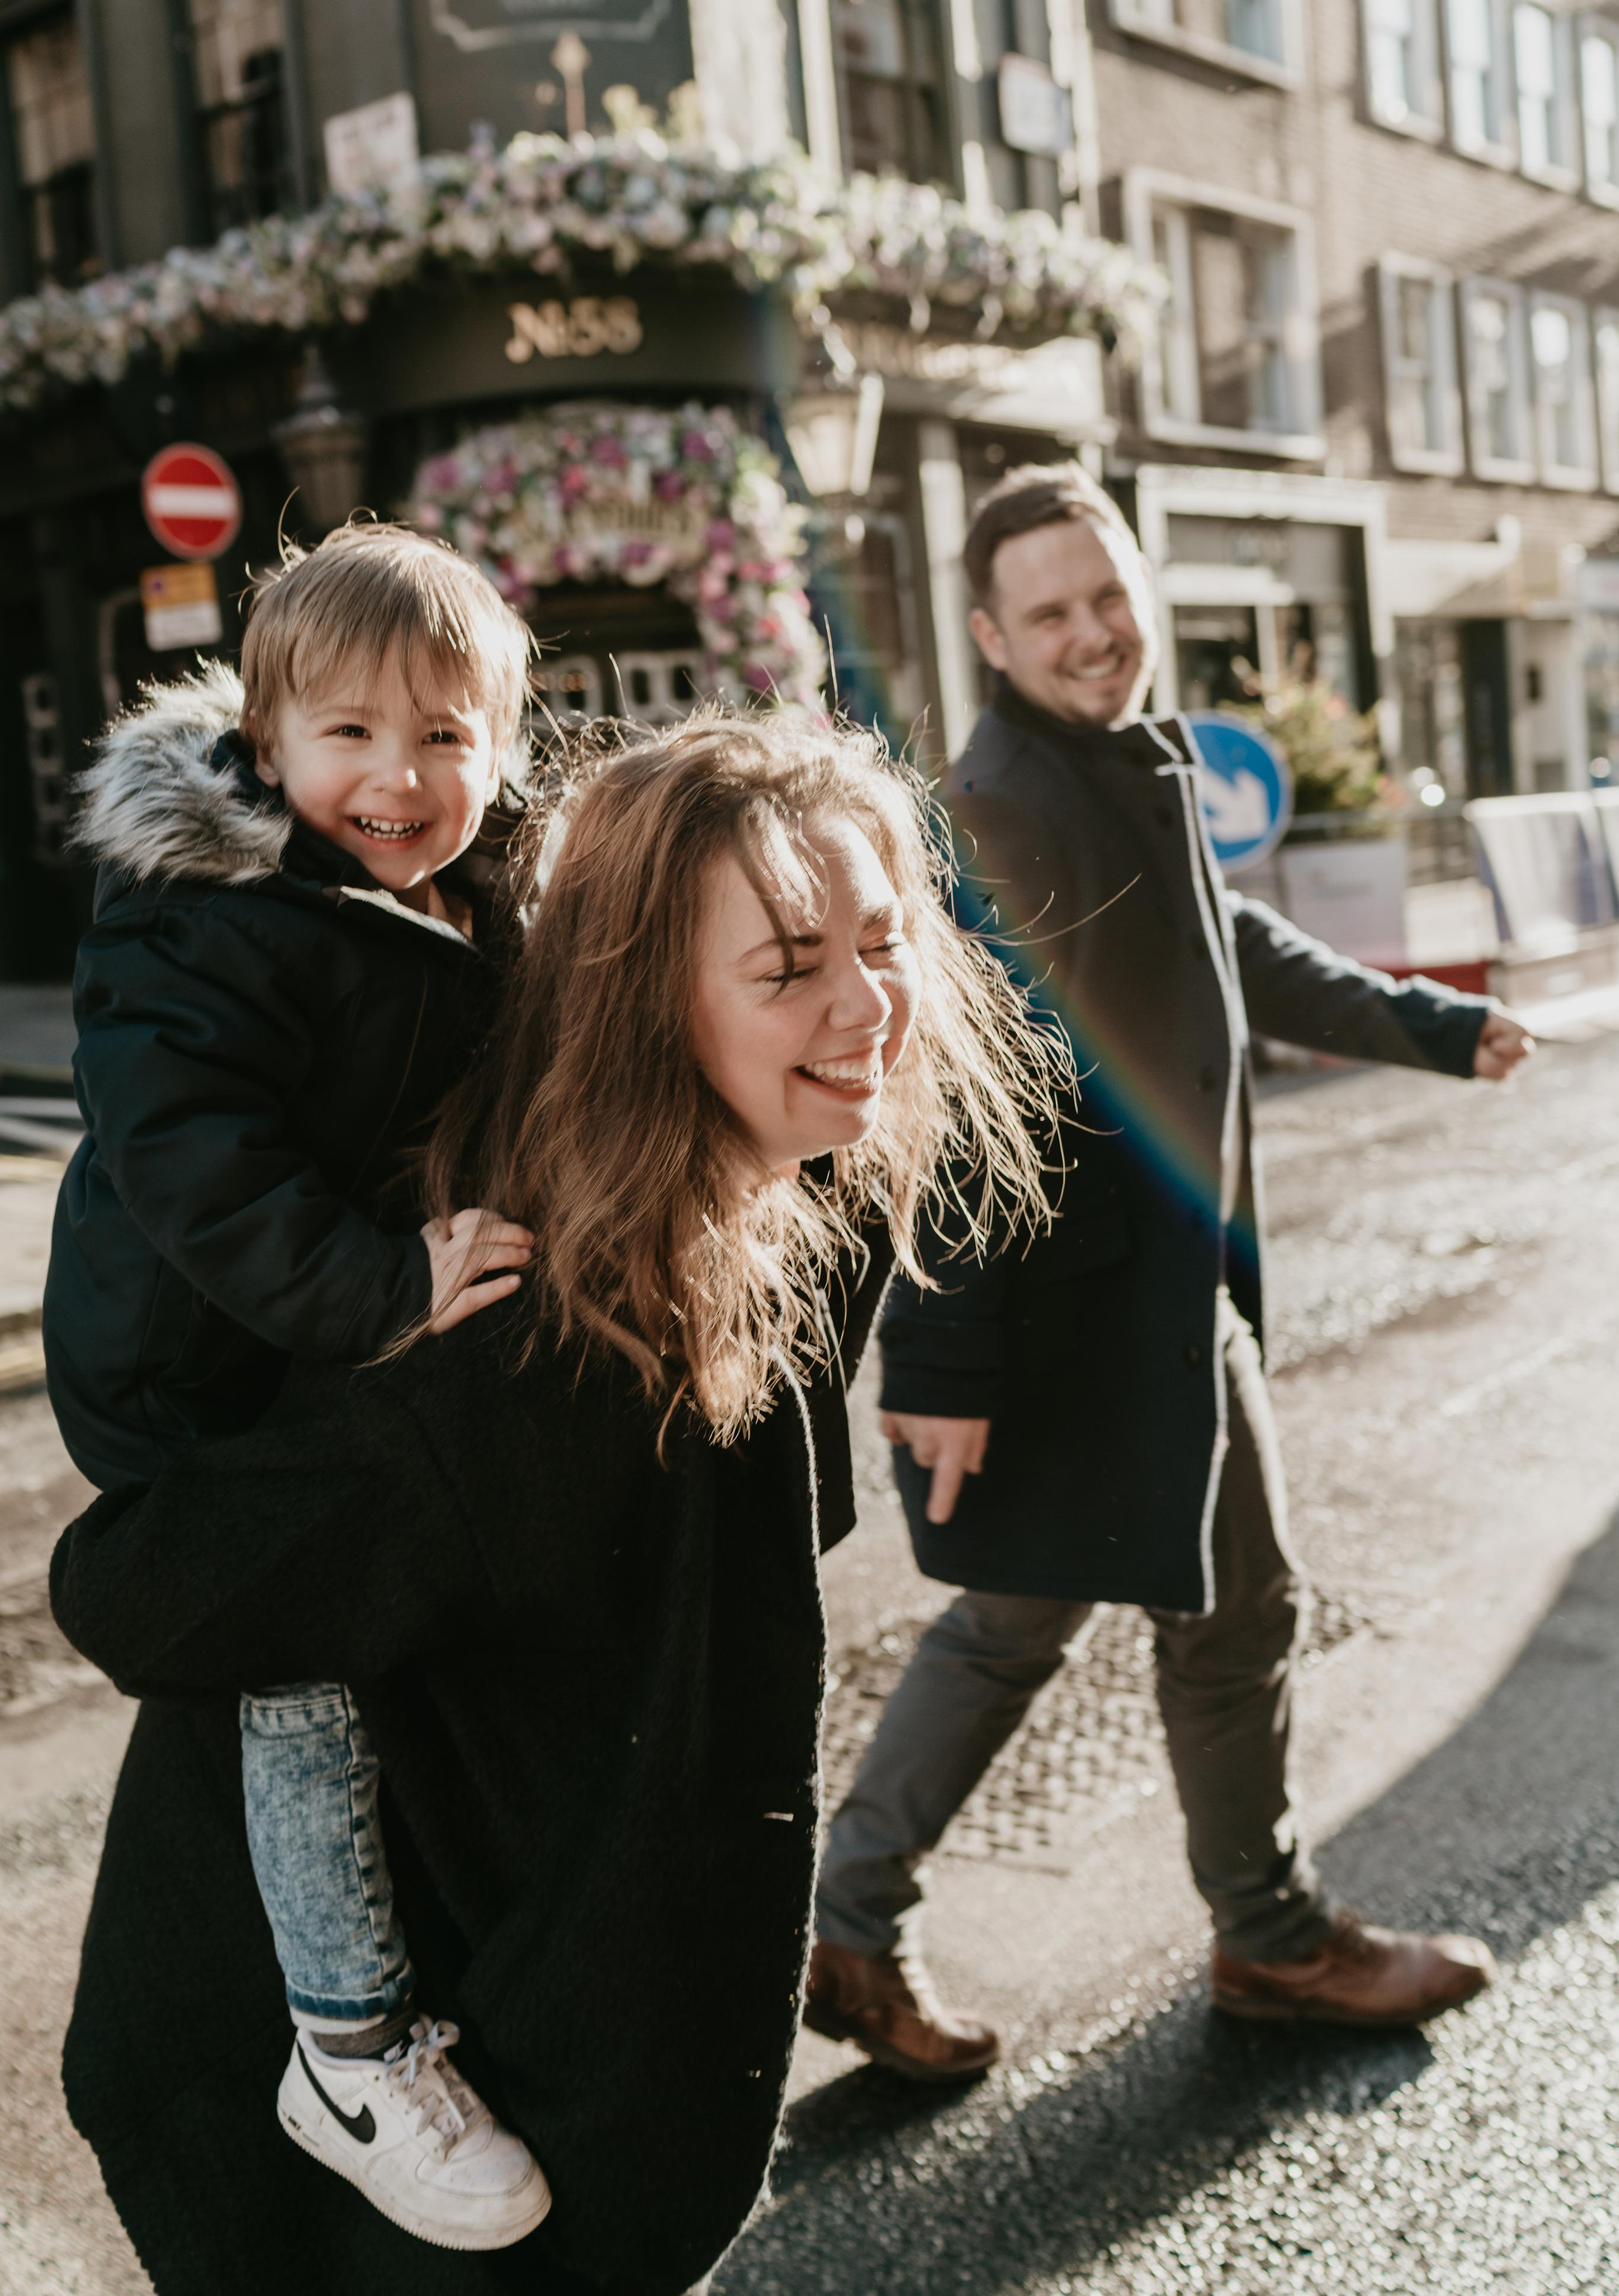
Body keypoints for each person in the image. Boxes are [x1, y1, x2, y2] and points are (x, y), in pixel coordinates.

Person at [49, 711, 1064, 2296]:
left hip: (567, 2139)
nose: (866, 1004)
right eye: (787, 965)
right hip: (390, 2191)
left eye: (882, 940)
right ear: (644, 1010)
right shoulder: (527, 1353)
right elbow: (128, 1587)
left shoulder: (785, 1216)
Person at [806, 462, 1536, 2080]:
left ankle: (890, 1928)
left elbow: (1232, 947)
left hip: (1148, 1297)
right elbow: (961, 1110)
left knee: (1177, 1608)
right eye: (1049, 610)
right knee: (1062, 1621)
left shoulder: (1121, 762)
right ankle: (1243, 1939)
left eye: (1107, 593)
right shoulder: (1005, 803)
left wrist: (1423, 1020)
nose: (1092, 630)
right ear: (990, 634)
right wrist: (936, 1371)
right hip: (1081, 1315)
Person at [43, 524, 551, 2249]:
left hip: (309, 1328)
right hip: (190, 1365)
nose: (400, 776)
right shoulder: (202, 918)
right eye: (351, 734)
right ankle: (347, 2041)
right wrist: (389, 1285)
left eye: (446, 736)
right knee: (306, 1656)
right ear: (266, 745)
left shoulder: (455, 895)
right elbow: (198, 1173)